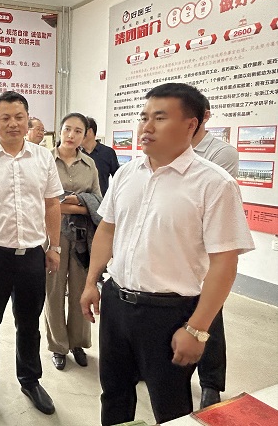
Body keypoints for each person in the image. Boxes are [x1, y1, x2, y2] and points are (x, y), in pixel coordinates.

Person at [80, 83, 255, 425]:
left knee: (170, 405)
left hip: (170, 312)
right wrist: (91, 282)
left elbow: (224, 263)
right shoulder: (127, 173)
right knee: (114, 395)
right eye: (144, 117)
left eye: (160, 118)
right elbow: (108, 230)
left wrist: (197, 329)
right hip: (116, 303)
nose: (146, 127)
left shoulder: (214, 184)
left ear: (191, 125)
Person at [0, 91, 63, 421]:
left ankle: (30, 380)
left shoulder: (43, 157)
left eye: (19, 117)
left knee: (29, 323)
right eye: (5, 117)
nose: (12, 123)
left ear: (28, 120)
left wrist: (54, 247)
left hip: (32, 256)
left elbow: (52, 204)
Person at [192, 95, 240, 408]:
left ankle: (211, 383)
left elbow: (203, 200)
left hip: (205, 253)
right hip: (168, 250)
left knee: (209, 316)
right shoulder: (165, 151)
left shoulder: (221, 153)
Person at [45, 113, 102, 371]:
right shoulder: (45, 161)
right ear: (59, 131)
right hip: (52, 234)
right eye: (67, 129)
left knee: (81, 288)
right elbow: (42, 202)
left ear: (85, 135)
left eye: (78, 131)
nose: (71, 135)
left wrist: (69, 201)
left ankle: (78, 342)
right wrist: (79, 201)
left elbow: (98, 202)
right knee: (54, 290)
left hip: (81, 236)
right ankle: (58, 346)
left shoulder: (89, 165)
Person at [80, 117, 119, 196]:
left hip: (101, 201)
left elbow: (118, 178)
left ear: (90, 131)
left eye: (80, 131)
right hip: (78, 201)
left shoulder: (108, 152)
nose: (77, 135)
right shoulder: (75, 153)